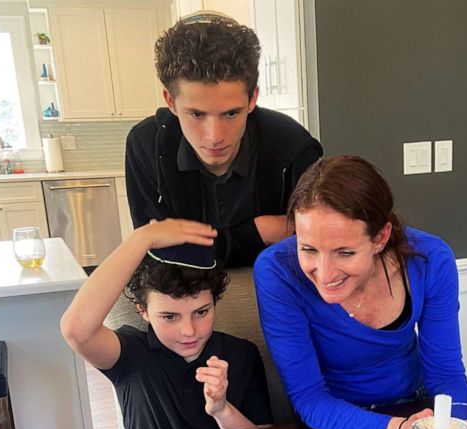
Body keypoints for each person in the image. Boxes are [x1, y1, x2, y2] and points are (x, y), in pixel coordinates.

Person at [254, 156, 467, 429]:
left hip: (416, 416)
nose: (325, 273)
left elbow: (445, 374)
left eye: (345, 252)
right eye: (308, 249)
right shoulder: (276, 272)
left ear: (381, 237)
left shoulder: (431, 259)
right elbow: (309, 398)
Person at [125, 13, 323, 268]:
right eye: (196, 114)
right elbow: (156, 259)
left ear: (253, 99)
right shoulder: (145, 146)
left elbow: (316, 248)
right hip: (183, 298)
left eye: (231, 113)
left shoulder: (294, 148)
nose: (215, 136)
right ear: (170, 102)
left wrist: (194, 243)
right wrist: (257, 232)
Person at [60, 220, 273, 429]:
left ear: (214, 302)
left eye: (201, 312)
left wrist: (222, 410)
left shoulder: (242, 353)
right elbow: (76, 330)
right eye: (170, 317)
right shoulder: (129, 354)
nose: (189, 331)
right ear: (144, 311)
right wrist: (141, 239)